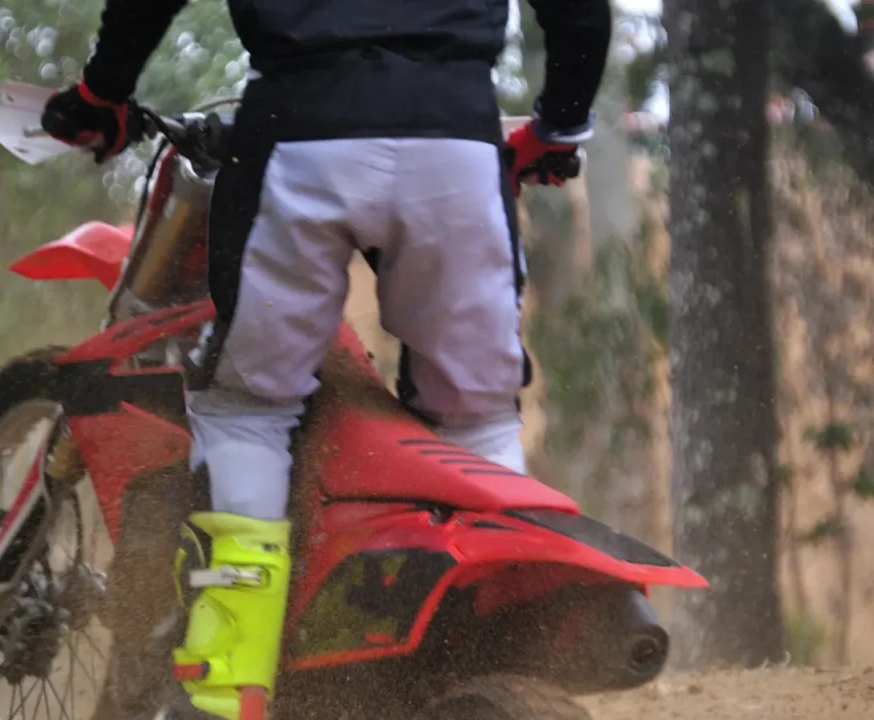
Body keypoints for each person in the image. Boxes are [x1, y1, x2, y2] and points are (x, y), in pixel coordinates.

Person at [41, 1, 611, 718]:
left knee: (248, 409)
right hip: (455, 145)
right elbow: (580, 11)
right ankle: (489, 654)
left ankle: (228, 685)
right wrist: (559, 127)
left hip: (300, 138)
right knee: (476, 413)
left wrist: (102, 93)